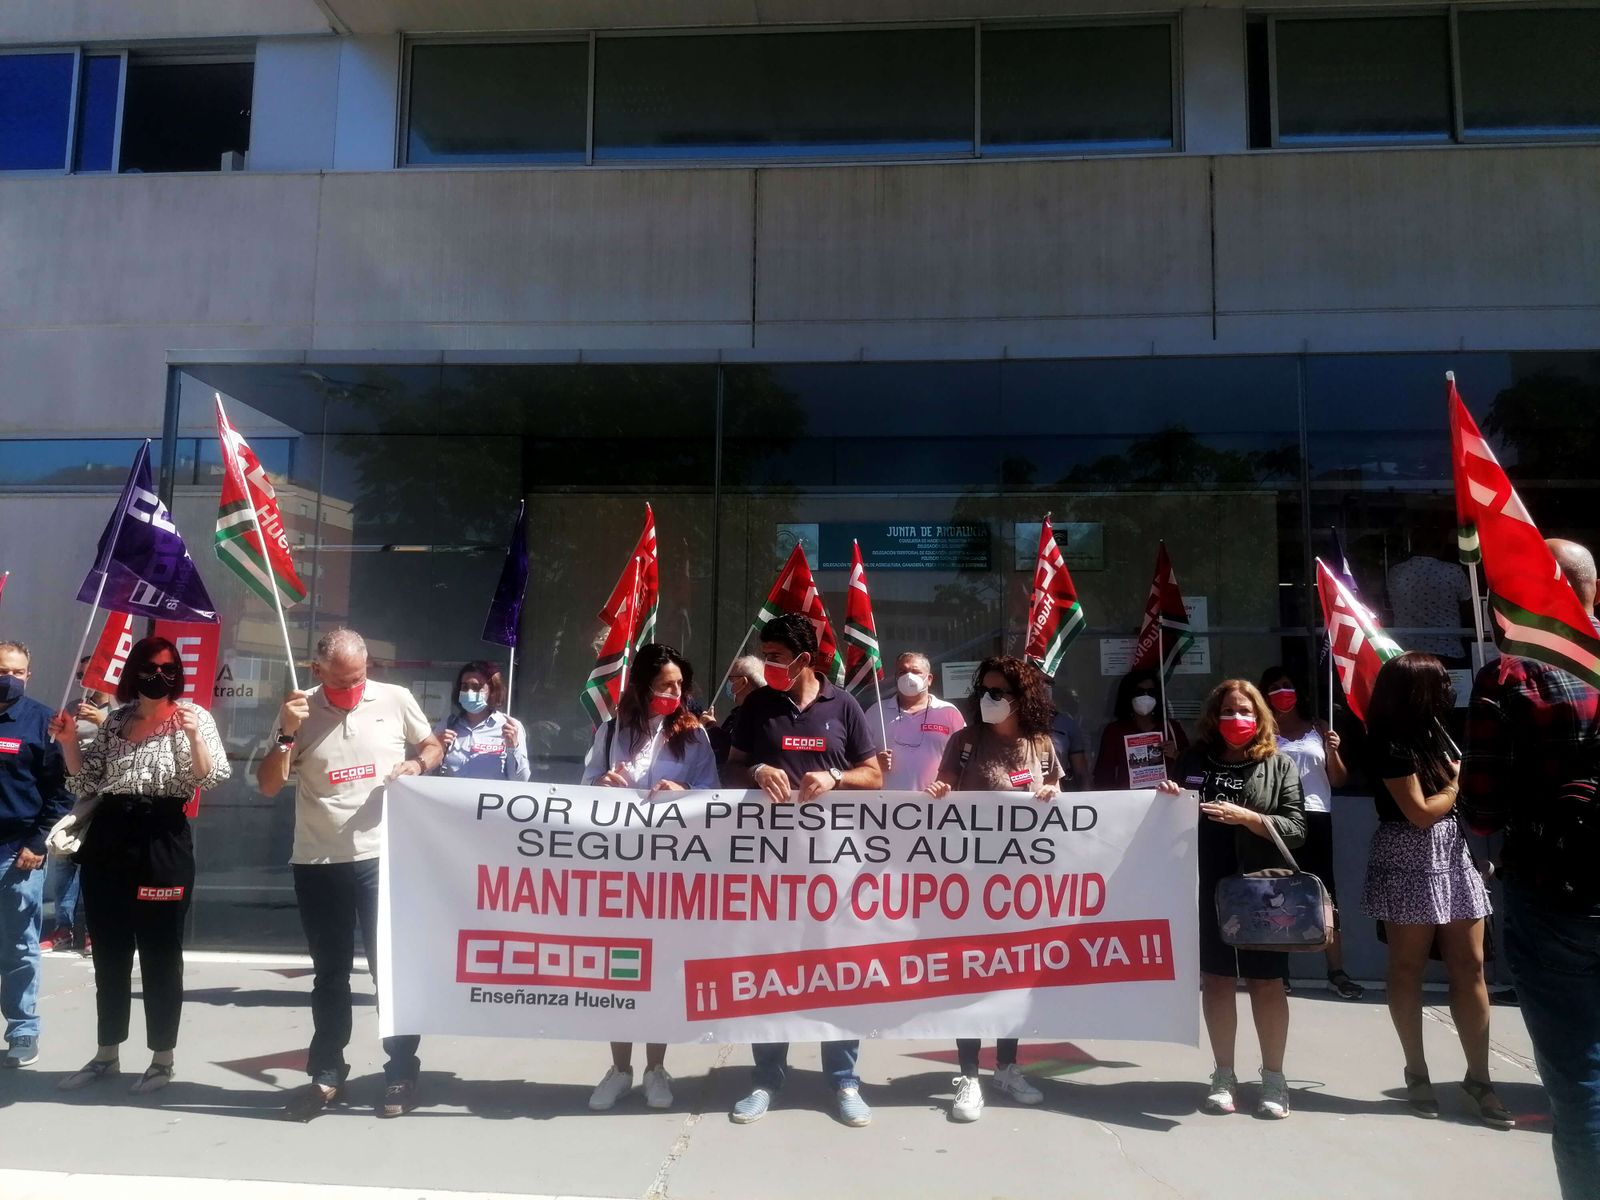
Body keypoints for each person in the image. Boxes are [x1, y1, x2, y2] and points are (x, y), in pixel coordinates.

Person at [256, 628, 443, 1121]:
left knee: (390, 972)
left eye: (359, 678)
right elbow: (269, 784)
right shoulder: (298, 709)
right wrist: (284, 734)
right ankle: (326, 1072)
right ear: (317, 672)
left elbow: (432, 745)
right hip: (318, 861)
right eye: (340, 682)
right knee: (330, 973)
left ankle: (401, 1069)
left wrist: (417, 766)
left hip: (382, 858)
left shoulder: (394, 699)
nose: (352, 688)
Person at [1462, 537, 1600, 1192]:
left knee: (1580, 1080)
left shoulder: (1510, 676)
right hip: (1560, 887)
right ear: (1593, 590)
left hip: (1554, 892)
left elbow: (1481, 812)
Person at [47, 636, 229, 1092]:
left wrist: (191, 736)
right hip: (110, 836)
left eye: (169, 668)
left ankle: (162, 1058)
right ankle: (106, 1052)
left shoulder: (194, 716)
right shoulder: (118, 720)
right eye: (150, 667)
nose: (159, 676)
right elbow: (85, 780)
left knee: (160, 951)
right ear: (134, 671)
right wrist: (69, 740)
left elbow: (212, 776)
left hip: (163, 839)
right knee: (108, 947)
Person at [726, 612, 882, 1128]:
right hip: (771, 869)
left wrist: (836, 777)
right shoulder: (758, 706)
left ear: (805, 660)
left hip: (834, 868)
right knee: (771, 971)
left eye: (776, 658)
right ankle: (767, 1076)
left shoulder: (845, 705)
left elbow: (873, 774)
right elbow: (730, 766)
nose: (768, 665)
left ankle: (844, 1080)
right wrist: (756, 769)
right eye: (765, 656)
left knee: (839, 969)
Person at [1363, 651, 1509, 1129]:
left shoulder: (1438, 732)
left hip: (1451, 854)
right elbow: (1421, 812)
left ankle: (1479, 1078)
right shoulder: (1388, 741)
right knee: (1407, 967)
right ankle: (1417, 1070)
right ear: (1417, 690)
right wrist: (1458, 782)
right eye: (1441, 682)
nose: (1449, 689)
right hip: (1409, 855)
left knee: (1471, 964)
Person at [1157, 679, 1304, 1119]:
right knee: (1218, 981)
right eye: (1226, 711)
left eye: (1244, 711)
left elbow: (1297, 830)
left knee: (1265, 982)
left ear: (1259, 718)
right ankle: (1224, 1076)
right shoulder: (1193, 760)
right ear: (1213, 717)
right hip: (1206, 887)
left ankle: (1275, 1080)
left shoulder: (1278, 764)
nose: (1235, 719)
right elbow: (1171, 818)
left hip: (1262, 893)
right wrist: (1167, 800)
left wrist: (1249, 818)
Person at [581, 643, 718, 1112]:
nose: (675, 694)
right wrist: (602, 784)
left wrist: (684, 792)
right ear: (642, 686)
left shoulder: (694, 735)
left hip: (670, 875)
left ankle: (656, 1069)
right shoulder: (611, 731)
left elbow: (713, 796)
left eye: (681, 686)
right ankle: (619, 1069)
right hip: (619, 873)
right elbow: (584, 790)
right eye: (666, 686)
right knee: (620, 973)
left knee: (660, 972)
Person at [926, 654, 1058, 1122]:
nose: (988, 698)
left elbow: (1060, 793)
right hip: (969, 882)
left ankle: (1007, 1065)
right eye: (984, 689)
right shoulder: (964, 741)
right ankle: (969, 1074)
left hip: (1023, 885)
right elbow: (943, 785)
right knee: (969, 975)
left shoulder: (1040, 746)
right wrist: (939, 792)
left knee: (1013, 976)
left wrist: (1052, 795)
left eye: (998, 692)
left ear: (1022, 699)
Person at [1258, 665, 1361, 1000]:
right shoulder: (1261, 731)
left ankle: (1336, 970)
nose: (1282, 692)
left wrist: (1333, 749)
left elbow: (1339, 780)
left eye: (1287, 684)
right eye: (1274, 687)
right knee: (1278, 892)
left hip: (1316, 815)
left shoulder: (1318, 727)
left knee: (1323, 894)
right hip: (1277, 818)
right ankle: (1278, 972)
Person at [0, 640, 71, 1070]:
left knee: (19, 946)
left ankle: (23, 1030)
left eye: (16, 671)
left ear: (29, 674)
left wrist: (39, 841)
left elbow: (60, 792)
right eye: (1, 669)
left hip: (16, 851)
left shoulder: (43, 722)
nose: (8, 677)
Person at [42, 656, 110, 955]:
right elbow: (58, 744)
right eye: (81, 674)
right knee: (63, 858)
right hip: (72, 790)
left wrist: (103, 722)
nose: (86, 680)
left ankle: (95, 928)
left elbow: (135, 743)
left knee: (98, 863)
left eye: (91, 674)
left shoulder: (124, 708)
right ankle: (63, 927)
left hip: (105, 794)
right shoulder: (74, 705)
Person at [874, 651, 965, 793]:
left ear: (929, 679)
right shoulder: (876, 711)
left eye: (916, 672)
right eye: (902, 672)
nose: (908, 676)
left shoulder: (948, 712)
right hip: (885, 808)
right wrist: (874, 763)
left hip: (935, 804)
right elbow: (858, 758)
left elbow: (965, 758)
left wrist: (946, 784)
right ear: (896, 677)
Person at [433, 660, 529, 782]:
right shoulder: (447, 725)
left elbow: (521, 781)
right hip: (449, 799)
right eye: (464, 687)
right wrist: (436, 748)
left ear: (493, 691)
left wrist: (513, 747)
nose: (469, 692)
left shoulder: (510, 727)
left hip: (488, 800)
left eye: (477, 687)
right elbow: (426, 774)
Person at [1093, 667, 1187, 790]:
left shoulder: (1171, 728)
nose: (1145, 697)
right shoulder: (1115, 731)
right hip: (1129, 802)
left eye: (1151, 692)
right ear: (1128, 695)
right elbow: (1103, 776)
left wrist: (1176, 754)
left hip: (1166, 800)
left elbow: (1192, 769)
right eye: (1139, 692)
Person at [704, 654, 764, 768]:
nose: (728, 683)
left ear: (742, 682)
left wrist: (711, 727)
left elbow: (731, 749)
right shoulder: (738, 713)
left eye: (731, 679)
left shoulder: (758, 715)